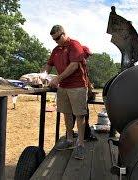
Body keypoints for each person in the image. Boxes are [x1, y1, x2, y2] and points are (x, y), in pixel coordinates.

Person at [43, 25, 88, 160]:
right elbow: (49, 65)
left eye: (57, 38)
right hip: (63, 87)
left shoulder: (74, 45)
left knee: (79, 115)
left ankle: (80, 144)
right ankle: (69, 140)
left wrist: (58, 78)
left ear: (63, 33)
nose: (56, 41)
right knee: (66, 113)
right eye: (54, 39)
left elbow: (74, 65)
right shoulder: (56, 49)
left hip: (77, 86)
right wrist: (42, 75)